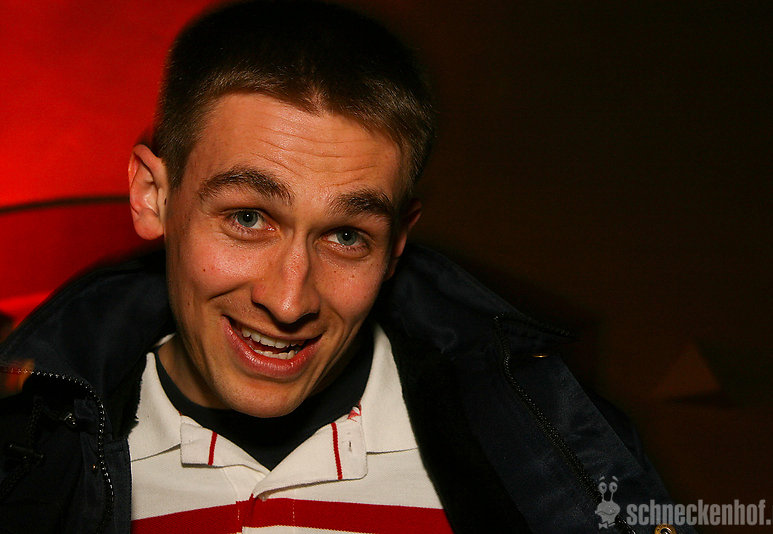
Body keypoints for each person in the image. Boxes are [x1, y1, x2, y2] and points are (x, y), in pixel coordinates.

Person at [0, 1, 688, 532]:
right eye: (249, 218)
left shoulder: (550, 451)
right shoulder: (29, 465)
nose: (290, 300)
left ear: (397, 244)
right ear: (153, 195)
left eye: (347, 236)